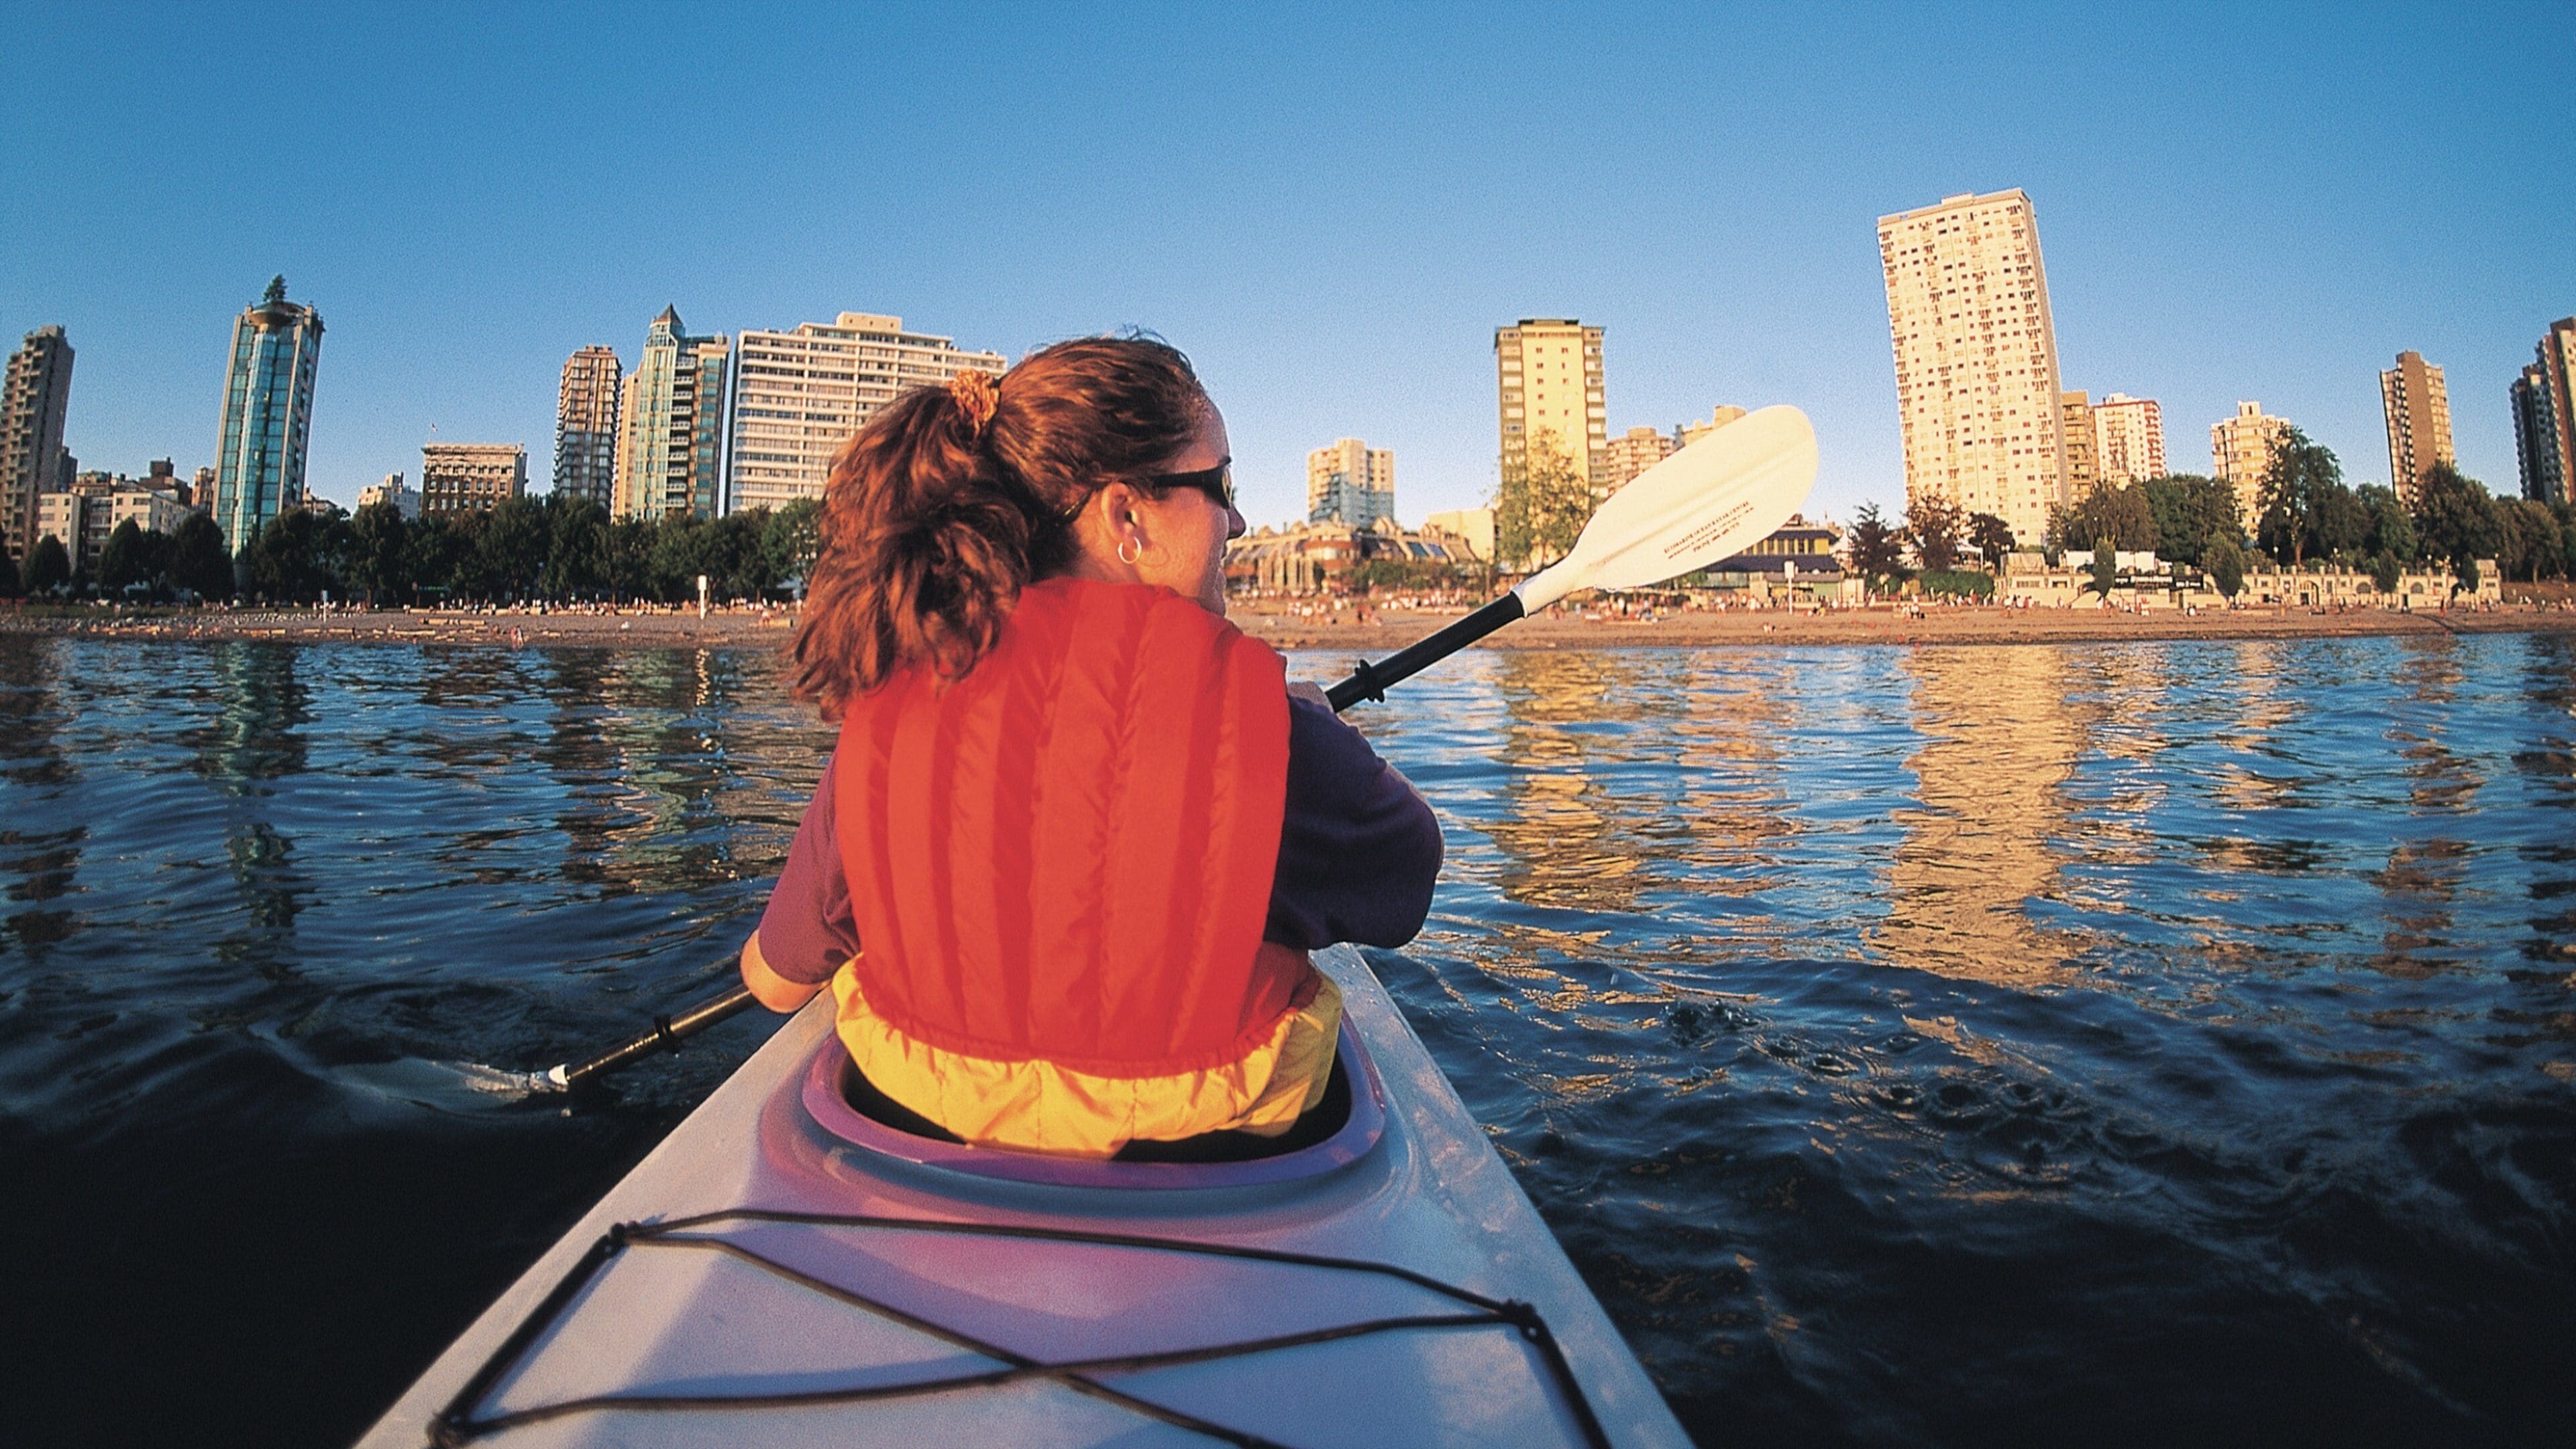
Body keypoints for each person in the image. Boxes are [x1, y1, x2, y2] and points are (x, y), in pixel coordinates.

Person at [738, 336, 1442, 1157]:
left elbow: (773, 981)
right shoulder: (1268, 733)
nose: (1239, 518)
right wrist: (1313, 731)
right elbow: (1405, 885)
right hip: (1218, 1174)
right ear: (1126, 517)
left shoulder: (891, 707)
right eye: (1220, 485)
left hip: (922, 1155)